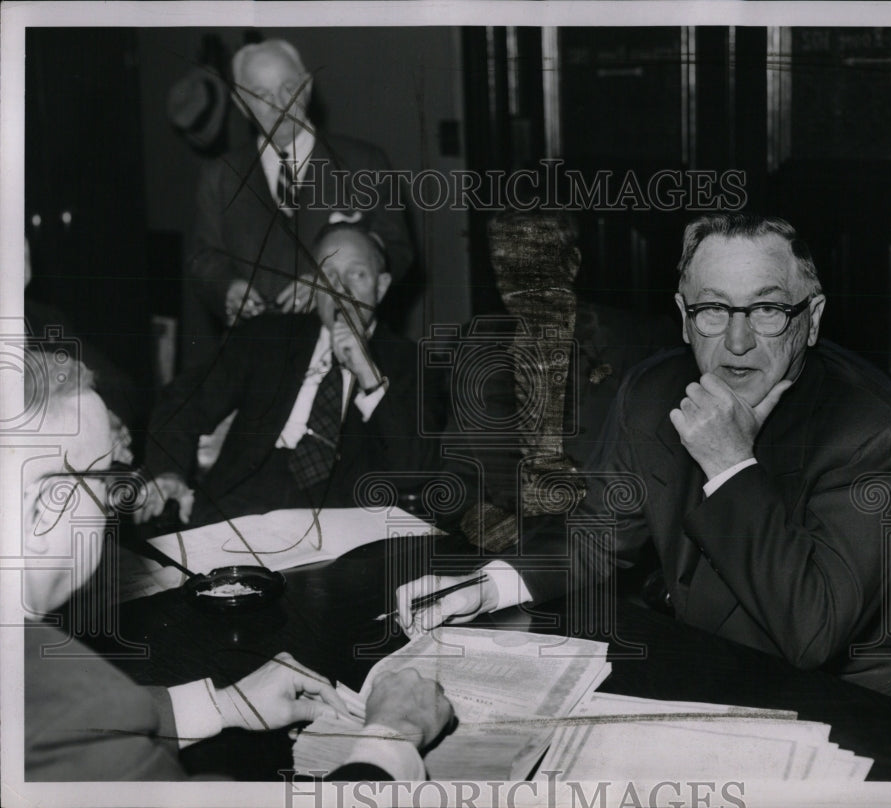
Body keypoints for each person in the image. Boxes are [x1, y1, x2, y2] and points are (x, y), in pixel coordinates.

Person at [397, 212, 891, 710]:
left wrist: (730, 464)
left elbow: (811, 632)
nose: (737, 341)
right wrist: (489, 586)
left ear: (812, 318)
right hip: (710, 664)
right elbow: (596, 538)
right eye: (713, 309)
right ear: (682, 314)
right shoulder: (652, 389)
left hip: (860, 698)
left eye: (767, 309)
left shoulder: (876, 431)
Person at [20, 352, 454, 780]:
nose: (117, 503)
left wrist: (222, 704)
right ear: (43, 509)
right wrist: (392, 736)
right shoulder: (75, 709)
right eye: (106, 478)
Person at [139, 224, 443, 528]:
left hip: (338, 518)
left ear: (381, 286)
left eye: (358, 274)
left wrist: (368, 373)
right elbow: (183, 401)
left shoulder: (409, 361)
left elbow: (414, 469)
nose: (341, 289)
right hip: (241, 504)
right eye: (328, 275)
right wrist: (168, 471)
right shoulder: (268, 336)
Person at [444, 210, 674, 550]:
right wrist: (492, 529)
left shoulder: (639, 345)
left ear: (571, 264)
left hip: (611, 559)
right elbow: (457, 479)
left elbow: (662, 483)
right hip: (505, 560)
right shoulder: (474, 350)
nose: (518, 281)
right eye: (504, 263)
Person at [189, 38, 412, 332]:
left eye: (288, 88)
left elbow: (398, 250)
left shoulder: (364, 162)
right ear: (241, 104)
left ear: (306, 87)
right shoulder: (220, 176)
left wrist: (336, 281)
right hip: (255, 347)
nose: (279, 105)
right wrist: (228, 288)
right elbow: (204, 257)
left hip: (345, 343)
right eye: (260, 94)